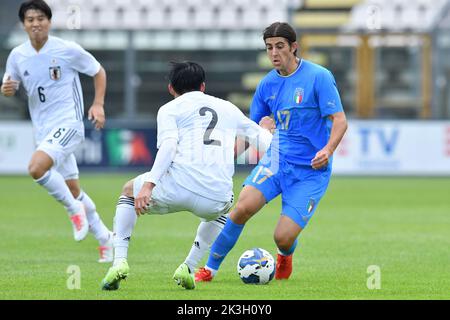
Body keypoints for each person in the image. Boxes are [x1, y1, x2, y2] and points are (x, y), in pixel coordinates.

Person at [195, 22, 348, 283]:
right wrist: (255, 132)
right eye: (269, 48)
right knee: (242, 208)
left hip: (311, 171)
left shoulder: (318, 77)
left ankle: (285, 255)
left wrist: (328, 149)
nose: (274, 53)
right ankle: (210, 269)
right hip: (277, 160)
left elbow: (340, 120)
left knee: (283, 236)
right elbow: (254, 127)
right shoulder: (267, 85)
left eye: (279, 46)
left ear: (294, 47)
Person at [101, 61, 273, 291]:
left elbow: (169, 146)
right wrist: (267, 130)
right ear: (203, 86)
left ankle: (119, 261)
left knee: (128, 191)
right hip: (215, 197)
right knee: (223, 209)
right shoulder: (228, 108)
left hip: (176, 186)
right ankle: (189, 267)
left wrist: (149, 184)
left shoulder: (170, 109)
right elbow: (264, 143)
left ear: (171, 88)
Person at [0, 0, 113, 263]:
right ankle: (105, 238)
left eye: (41, 18)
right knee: (73, 189)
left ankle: (74, 212)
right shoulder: (18, 55)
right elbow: (10, 82)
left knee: (36, 168)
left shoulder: (66, 49)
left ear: (49, 22)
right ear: (23, 24)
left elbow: (98, 71)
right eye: (30, 19)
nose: (36, 23)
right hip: (44, 130)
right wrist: (6, 88)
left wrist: (98, 104)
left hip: (69, 123)